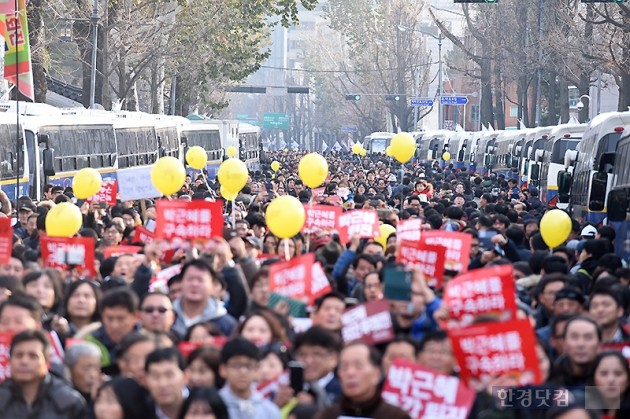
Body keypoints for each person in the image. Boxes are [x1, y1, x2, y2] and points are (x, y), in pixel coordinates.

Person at [0, 330, 86, 418]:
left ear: (47, 362)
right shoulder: (2, 398)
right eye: (18, 355)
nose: (24, 361)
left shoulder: (69, 401)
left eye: (33, 356)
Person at [314, 342, 411, 419]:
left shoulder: (396, 416)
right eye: (344, 367)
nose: (350, 373)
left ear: (376, 374)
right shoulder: (328, 415)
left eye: (358, 366)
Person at [170, 259, 237, 339]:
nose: (194, 284)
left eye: (200, 280)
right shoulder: (166, 316)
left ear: (212, 286)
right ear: (181, 283)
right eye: (190, 279)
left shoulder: (226, 324)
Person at [218, 337, 281, 419]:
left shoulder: (270, 410)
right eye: (236, 365)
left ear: (257, 369)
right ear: (223, 369)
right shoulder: (214, 406)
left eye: (249, 366)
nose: (243, 371)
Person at [86, 287, 141, 370]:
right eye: (109, 318)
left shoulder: (148, 344)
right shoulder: (88, 344)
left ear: (136, 317)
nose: (114, 325)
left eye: (121, 319)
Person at [145, 347, 189, 419]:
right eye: (155, 376)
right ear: (146, 379)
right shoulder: (141, 411)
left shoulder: (203, 405)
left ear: (185, 377)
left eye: (169, 375)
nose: (162, 384)